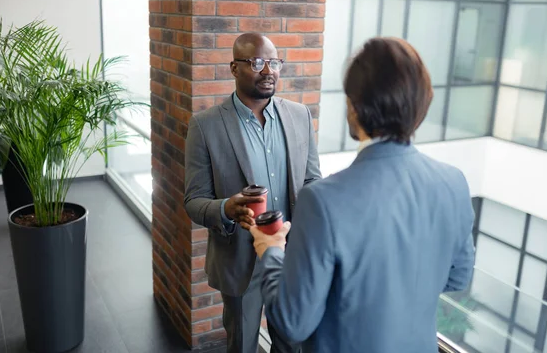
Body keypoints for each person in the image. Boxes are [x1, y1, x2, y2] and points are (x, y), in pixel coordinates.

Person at [245, 37, 476, 353]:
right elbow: (458, 276)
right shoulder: (454, 182)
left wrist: (271, 249)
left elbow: (292, 322)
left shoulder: (323, 200)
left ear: (354, 107)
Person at [184, 33, 321, 353]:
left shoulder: (300, 116)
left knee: (291, 343)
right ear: (234, 68)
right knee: (242, 343)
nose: (268, 71)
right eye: (257, 63)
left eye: (274, 63)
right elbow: (193, 200)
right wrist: (226, 209)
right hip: (240, 259)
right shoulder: (206, 125)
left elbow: (312, 180)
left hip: (292, 254)